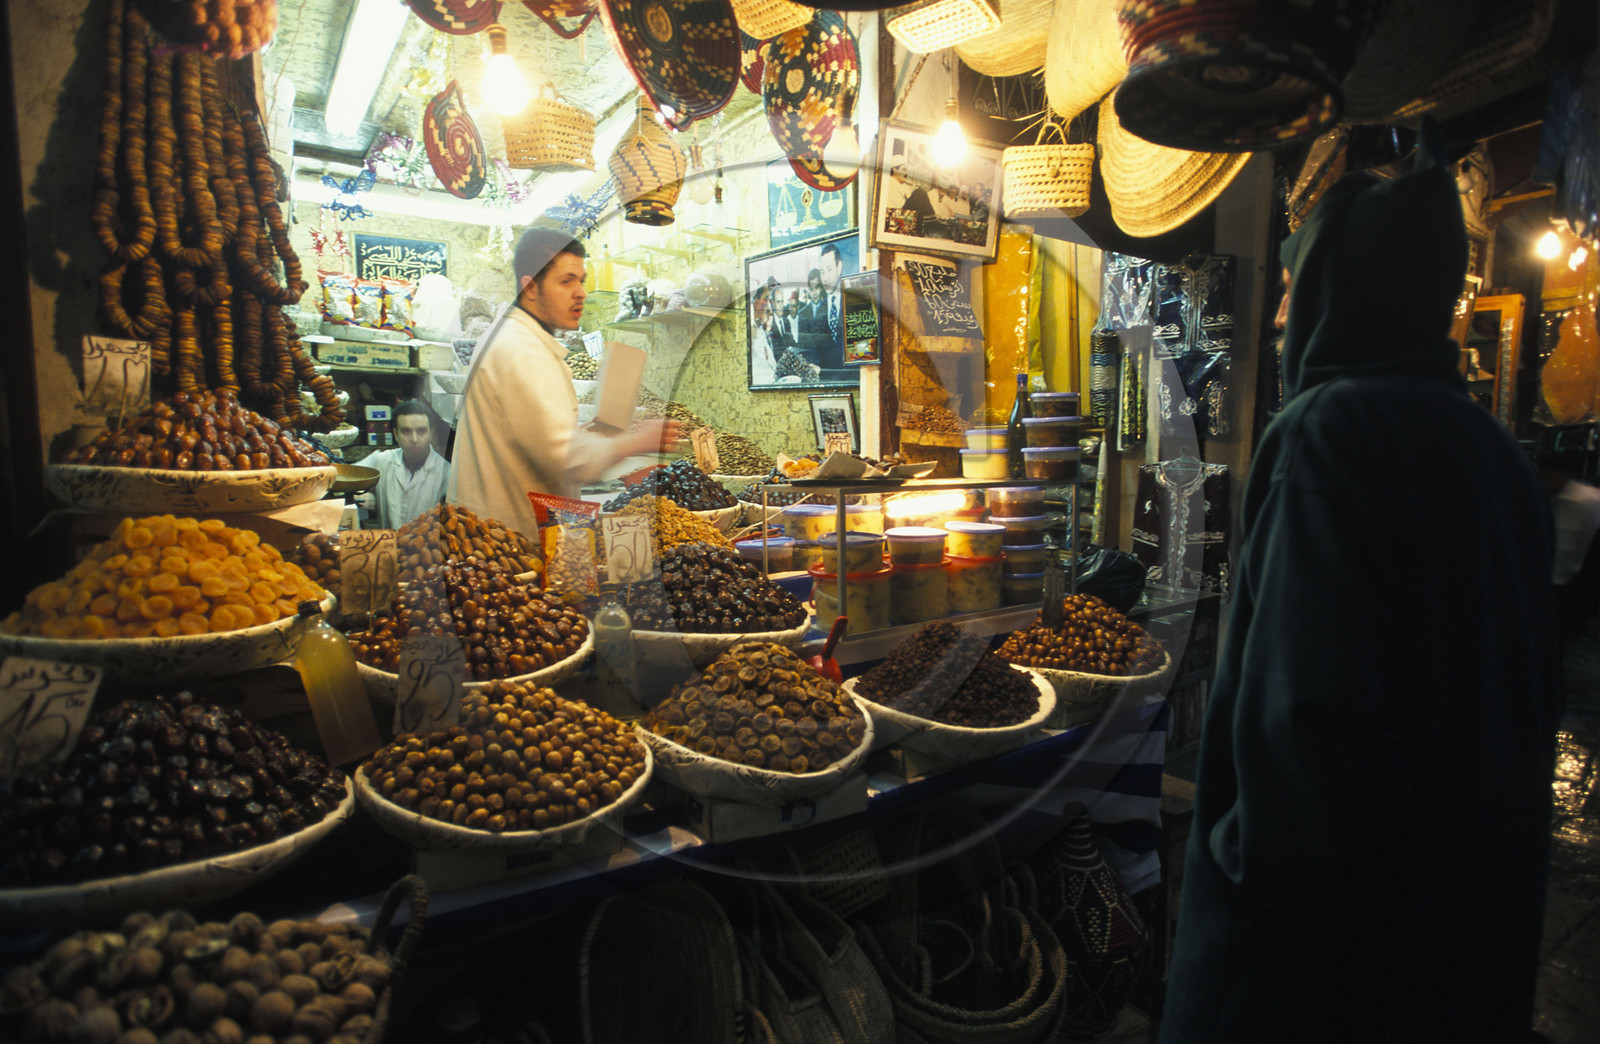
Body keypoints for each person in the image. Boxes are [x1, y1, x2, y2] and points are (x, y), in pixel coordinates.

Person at [1159, 123, 1562, 1042]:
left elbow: (1302, 724)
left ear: (1337, 290)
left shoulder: (1328, 433)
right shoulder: (1498, 454)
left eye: (1297, 285)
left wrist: (1242, 913)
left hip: (1319, 965)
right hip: (1458, 921)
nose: (1281, 314)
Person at [449, 227, 682, 537]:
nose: (580, 292)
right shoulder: (523, 350)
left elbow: (532, 435)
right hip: (509, 538)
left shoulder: (513, 336)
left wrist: (586, 432)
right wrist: (639, 441)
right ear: (530, 288)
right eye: (566, 281)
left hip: (496, 533)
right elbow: (568, 458)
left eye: (581, 281)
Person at [364, 400, 450, 529]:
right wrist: (361, 494)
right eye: (406, 431)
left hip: (426, 542)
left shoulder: (446, 473)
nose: (414, 439)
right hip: (388, 542)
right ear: (395, 434)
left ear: (431, 434)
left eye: (421, 431)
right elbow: (346, 476)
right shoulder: (381, 461)